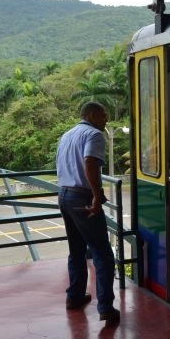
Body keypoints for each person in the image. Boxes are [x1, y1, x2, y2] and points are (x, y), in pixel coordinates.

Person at [56, 102, 119, 323]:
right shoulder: (94, 135)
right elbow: (90, 162)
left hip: (64, 195)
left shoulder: (67, 135)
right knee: (102, 252)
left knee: (76, 250)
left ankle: (74, 296)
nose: (106, 120)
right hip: (82, 197)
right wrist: (96, 194)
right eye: (103, 115)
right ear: (91, 115)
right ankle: (105, 307)